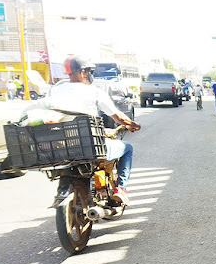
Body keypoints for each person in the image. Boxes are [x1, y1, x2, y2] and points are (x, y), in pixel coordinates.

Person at [38, 56, 141, 204]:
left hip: (62, 148)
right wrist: (132, 124)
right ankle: (121, 188)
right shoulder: (93, 91)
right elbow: (117, 116)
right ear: (83, 73)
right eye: (89, 71)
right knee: (128, 148)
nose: (90, 75)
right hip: (89, 147)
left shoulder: (54, 91)